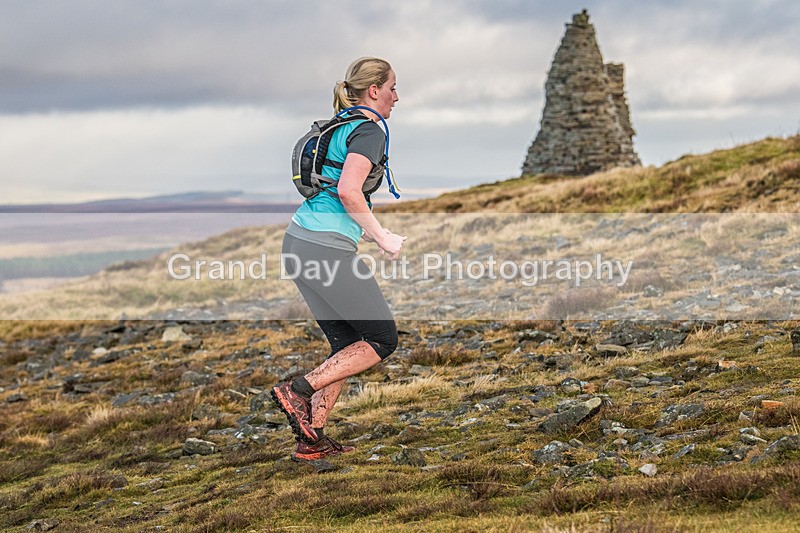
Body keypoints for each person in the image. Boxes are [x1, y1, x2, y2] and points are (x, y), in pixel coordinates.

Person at [271, 57, 407, 462]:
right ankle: (297, 391)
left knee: (346, 343)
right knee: (382, 339)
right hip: (324, 249)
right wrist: (382, 238)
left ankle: (311, 440)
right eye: (393, 88)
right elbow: (349, 191)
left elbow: (339, 192)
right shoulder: (368, 130)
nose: (397, 97)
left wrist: (368, 229)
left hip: (299, 244)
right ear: (374, 91)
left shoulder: (342, 124)